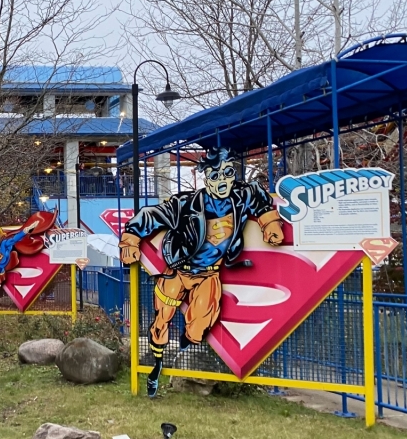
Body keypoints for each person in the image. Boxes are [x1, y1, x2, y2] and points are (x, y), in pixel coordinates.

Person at [119, 146, 284, 398]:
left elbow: (260, 201)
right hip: (178, 271)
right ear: (205, 179)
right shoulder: (185, 204)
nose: (223, 181)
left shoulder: (241, 196)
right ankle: (157, 363)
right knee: (162, 319)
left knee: (201, 324)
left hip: (209, 274)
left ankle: (185, 351)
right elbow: (151, 215)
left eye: (227, 173)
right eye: (215, 176)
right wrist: (130, 239)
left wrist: (270, 224)